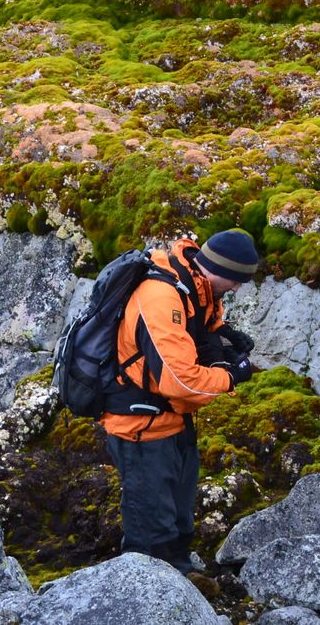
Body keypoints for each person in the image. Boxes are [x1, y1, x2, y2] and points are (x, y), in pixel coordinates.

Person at [102, 229, 259, 573]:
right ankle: (144, 591)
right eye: (235, 281)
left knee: (178, 517)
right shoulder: (161, 297)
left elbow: (201, 326)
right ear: (218, 269)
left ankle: (180, 576)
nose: (236, 289)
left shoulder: (196, 285)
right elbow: (179, 381)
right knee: (151, 529)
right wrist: (232, 376)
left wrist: (223, 337)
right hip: (140, 425)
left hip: (171, 418)